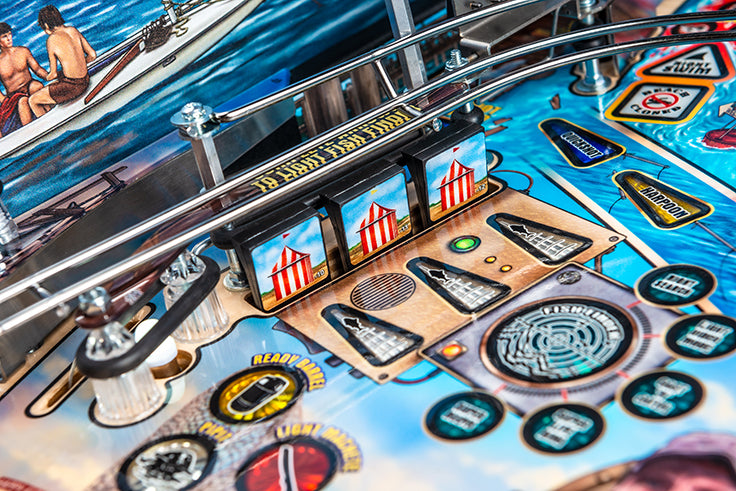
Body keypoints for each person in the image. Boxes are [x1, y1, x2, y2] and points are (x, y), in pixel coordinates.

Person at [28, 5, 96, 117]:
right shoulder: (73, 30)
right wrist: (78, 66)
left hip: (73, 87)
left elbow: (53, 74)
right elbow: (92, 55)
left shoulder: (51, 40)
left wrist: (46, 77)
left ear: (46, 25)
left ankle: (48, 125)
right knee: (50, 87)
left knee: (33, 100)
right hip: (85, 80)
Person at [0, 22, 48, 135]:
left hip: (29, 84)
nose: (9, 39)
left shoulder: (23, 51)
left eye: (10, 34)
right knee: (23, 101)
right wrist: (4, 100)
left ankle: (51, 117)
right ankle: (30, 133)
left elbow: (37, 69)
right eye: (4, 36)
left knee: (37, 86)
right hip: (14, 95)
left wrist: (50, 76)